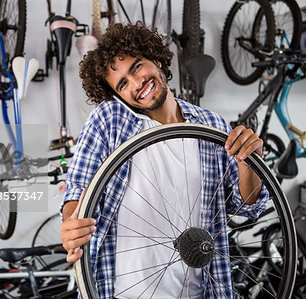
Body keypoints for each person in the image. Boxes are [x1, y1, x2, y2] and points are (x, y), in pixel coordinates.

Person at [60, 22, 268, 298]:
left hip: (199, 292)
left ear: (155, 58)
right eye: (123, 84)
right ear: (118, 95)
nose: (136, 84)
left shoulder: (210, 125)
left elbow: (247, 206)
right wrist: (72, 223)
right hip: (122, 293)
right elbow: (77, 191)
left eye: (136, 67)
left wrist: (247, 163)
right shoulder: (109, 120)